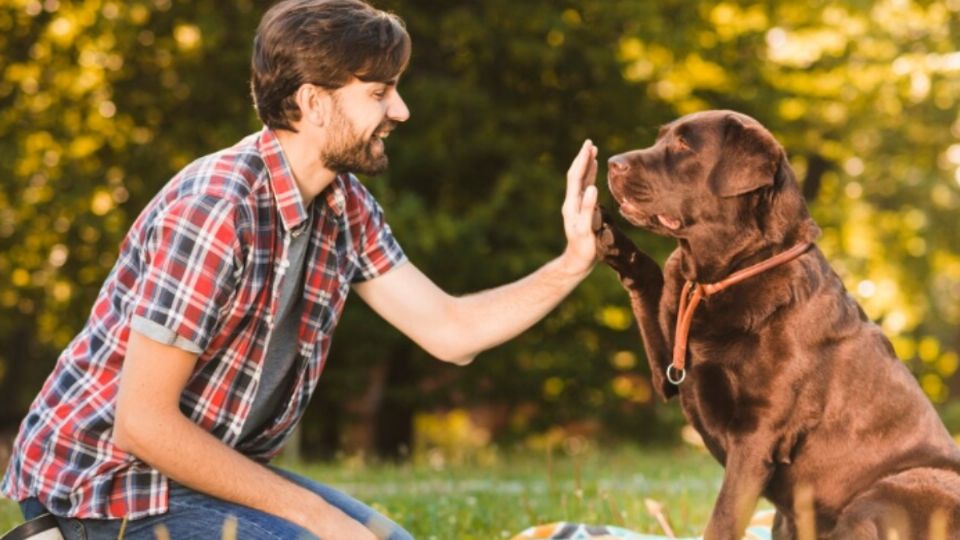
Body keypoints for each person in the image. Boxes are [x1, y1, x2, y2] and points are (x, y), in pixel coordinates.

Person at [1, 0, 599, 538]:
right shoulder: (216, 210)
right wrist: (316, 518)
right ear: (315, 102)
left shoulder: (345, 207)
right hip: (105, 486)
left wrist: (571, 263)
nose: (401, 110)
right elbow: (142, 425)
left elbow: (450, 331)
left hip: (194, 474)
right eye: (378, 92)